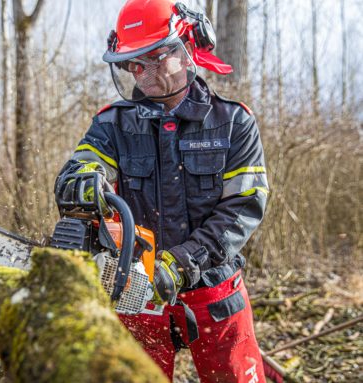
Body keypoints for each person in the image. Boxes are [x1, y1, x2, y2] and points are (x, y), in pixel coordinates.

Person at [55, 0, 269, 382]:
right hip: (138, 291)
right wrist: (83, 179)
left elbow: (242, 208)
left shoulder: (233, 122)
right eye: (134, 63)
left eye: (154, 59)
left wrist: (183, 262)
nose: (143, 73)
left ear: (186, 50)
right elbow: (83, 163)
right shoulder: (112, 124)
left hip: (214, 291)